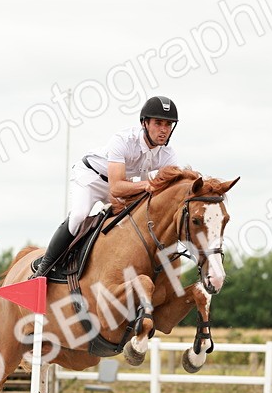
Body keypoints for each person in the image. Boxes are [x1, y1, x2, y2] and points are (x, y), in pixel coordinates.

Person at [31, 96, 181, 278]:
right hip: (91, 178)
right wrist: (148, 184)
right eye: (158, 123)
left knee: (134, 222)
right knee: (79, 215)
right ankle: (43, 269)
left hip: (125, 184)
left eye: (168, 124)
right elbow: (116, 188)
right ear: (145, 123)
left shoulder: (168, 154)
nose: (163, 130)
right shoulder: (123, 140)